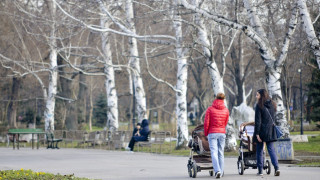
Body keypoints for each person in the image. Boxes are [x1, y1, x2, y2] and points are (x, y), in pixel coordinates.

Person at [253, 89, 280, 176]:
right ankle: (277, 168)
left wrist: (257, 134)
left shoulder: (259, 105)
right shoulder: (272, 104)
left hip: (262, 131)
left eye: (257, 95)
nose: (256, 96)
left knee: (260, 150)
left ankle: (260, 170)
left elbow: (258, 121)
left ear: (261, 95)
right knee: (271, 149)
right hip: (271, 130)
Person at [204, 93, 229, 179]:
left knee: (214, 152)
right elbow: (225, 122)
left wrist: (206, 133)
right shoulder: (226, 110)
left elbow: (206, 123)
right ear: (223, 100)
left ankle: (217, 170)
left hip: (212, 133)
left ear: (215, 99)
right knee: (220, 152)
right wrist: (222, 129)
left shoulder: (210, 109)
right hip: (222, 133)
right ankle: (221, 172)